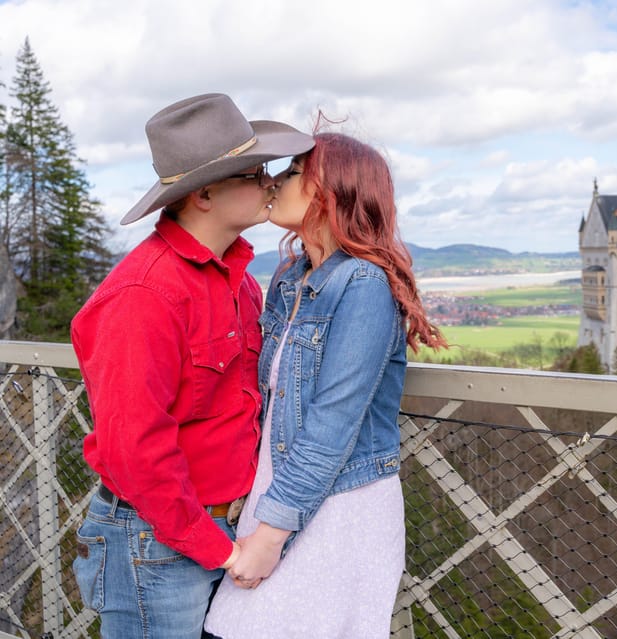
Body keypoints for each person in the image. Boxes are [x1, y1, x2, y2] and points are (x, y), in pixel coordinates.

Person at [70, 93, 315, 638]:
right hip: (157, 542)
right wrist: (222, 551)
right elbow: (134, 450)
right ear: (204, 194)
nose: (271, 181)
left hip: (222, 529)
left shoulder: (239, 281)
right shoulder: (144, 295)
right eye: (255, 173)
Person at [204, 131, 446, 638]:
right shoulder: (291, 277)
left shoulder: (363, 285)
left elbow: (331, 427)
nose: (272, 181)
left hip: (339, 510)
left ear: (328, 191)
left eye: (291, 173)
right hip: (279, 496)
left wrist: (269, 536)